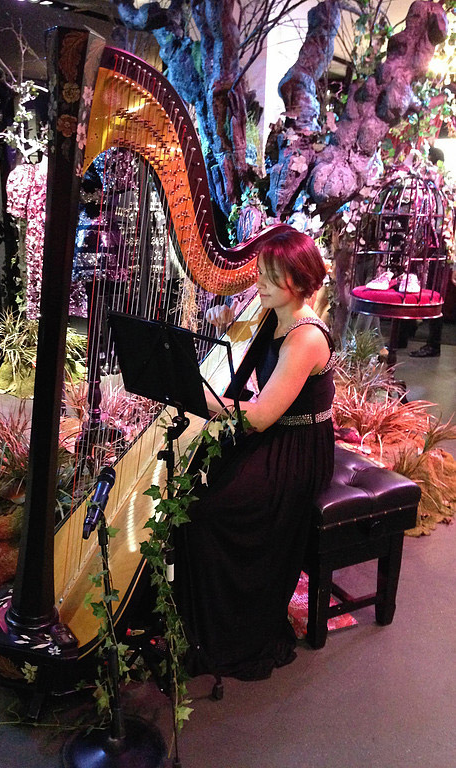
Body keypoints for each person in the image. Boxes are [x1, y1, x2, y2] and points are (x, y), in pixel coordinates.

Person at [174, 230, 336, 681]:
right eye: (259, 273)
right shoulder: (272, 316)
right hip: (278, 436)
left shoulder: (305, 336)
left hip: (298, 449)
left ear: (298, 282)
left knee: (208, 513)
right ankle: (201, 617)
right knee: (198, 483)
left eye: (269, 276)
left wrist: (192, 393)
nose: (258, 283)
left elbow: (261, 416)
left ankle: (234, 629)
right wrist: (222, 324)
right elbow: (244, 368)